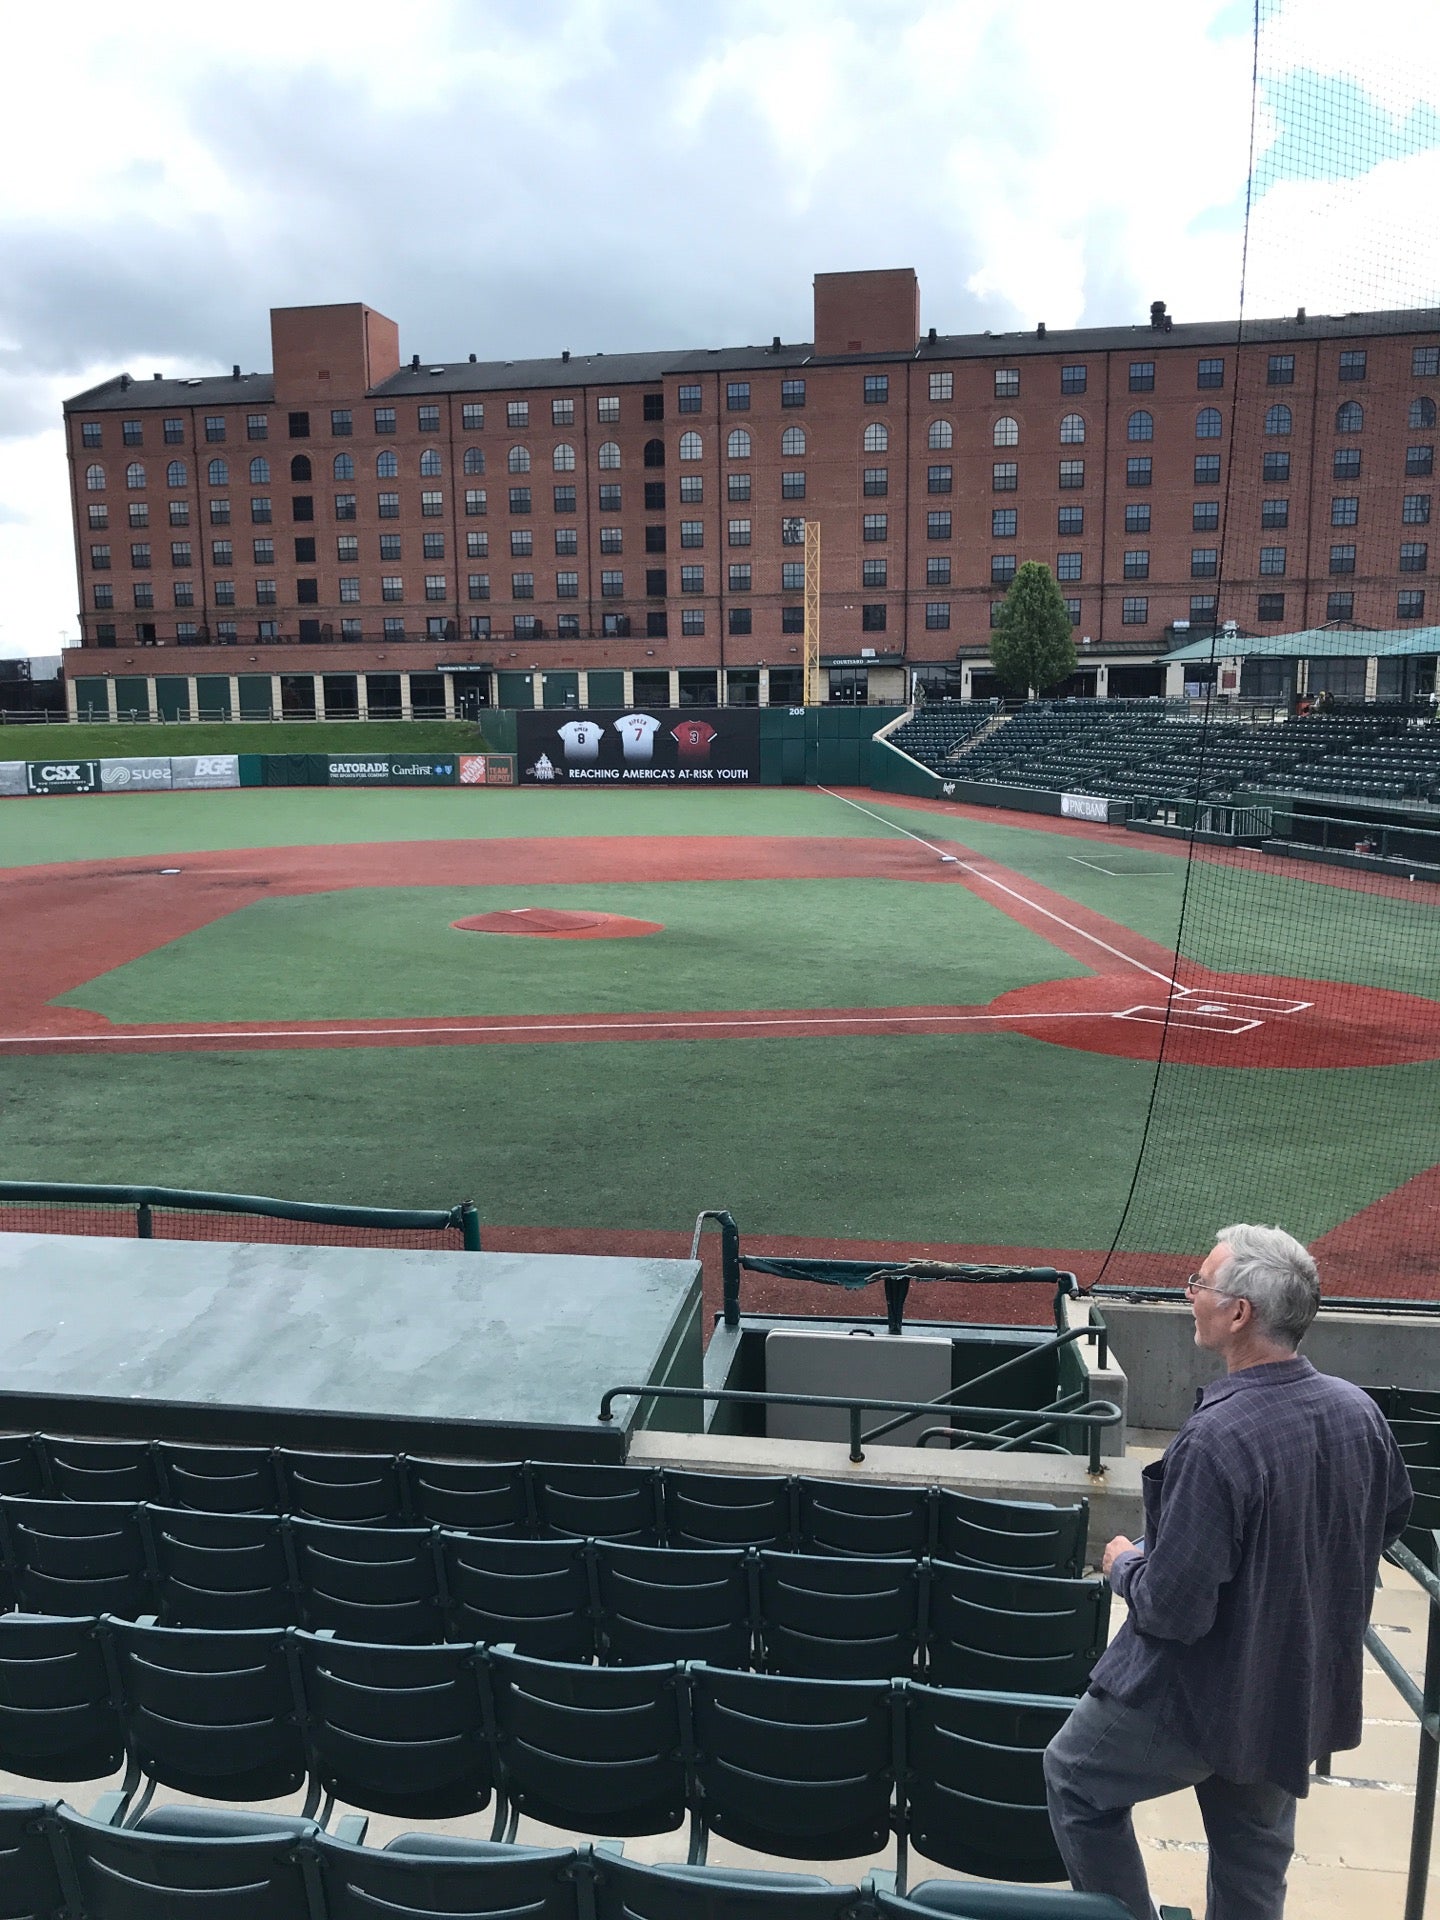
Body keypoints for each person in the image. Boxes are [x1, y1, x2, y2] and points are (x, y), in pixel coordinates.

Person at [1044, 1224, 1412, 1920]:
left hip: (1199, 1700)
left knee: (1074, 1778)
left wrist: (1125, 1564)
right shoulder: (1358, 1412)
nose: (1190, 1295)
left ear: (1239, 1313)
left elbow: (1174, 1611)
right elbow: (1385, 1524)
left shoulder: (1217, 1440)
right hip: (1289, 1693)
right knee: (1253, 1865)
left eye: (1201, 1284)